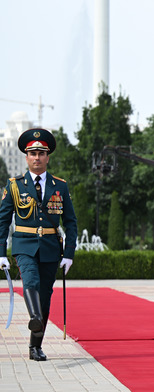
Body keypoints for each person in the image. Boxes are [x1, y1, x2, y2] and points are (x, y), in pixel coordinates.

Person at [0, 128, 77, 361]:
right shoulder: (15, 185)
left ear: (47, 157)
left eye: (41, 153)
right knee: (30, 281)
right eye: (32, 153)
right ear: (26, 157)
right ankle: (34, 317)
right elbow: (3, 221)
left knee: (45, 296)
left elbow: (71, 222)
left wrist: (69, 254)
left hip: (51, 248)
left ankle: (35, 346)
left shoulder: (59, 186)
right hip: (24, 246)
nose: (37, 158)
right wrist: (1, 252)